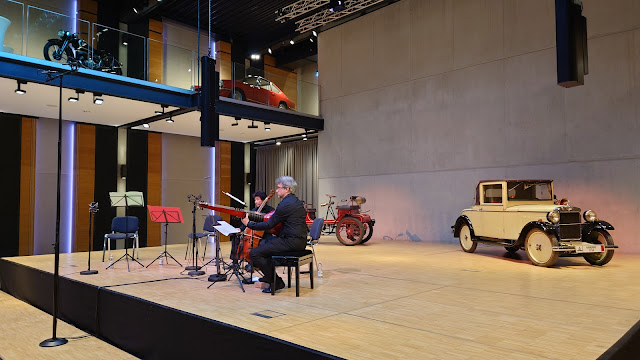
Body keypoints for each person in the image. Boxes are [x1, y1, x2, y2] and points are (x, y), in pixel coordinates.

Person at [242, 176, 308, 293]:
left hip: (291, 242)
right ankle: (269, 277)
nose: (276, 190)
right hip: (300, 240)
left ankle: (277, 282)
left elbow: (269, 225)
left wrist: (249, 224)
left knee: (255, 253)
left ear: (286, 189)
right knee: (265, 243)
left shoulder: (285, 204)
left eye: (278, 188)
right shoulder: (297, 201)